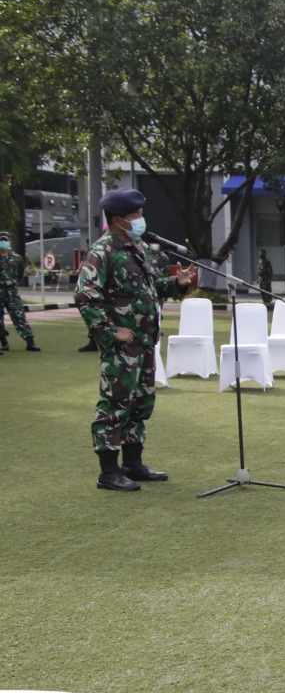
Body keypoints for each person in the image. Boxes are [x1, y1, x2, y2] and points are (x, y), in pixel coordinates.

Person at [73, 188, 195, 491]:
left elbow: (150, 290)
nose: (141, 219)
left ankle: (133, 464)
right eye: (135, 215)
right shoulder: (102, 252)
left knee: (140, 404)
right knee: (114, 404)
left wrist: (176, 284)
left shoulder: (137, 247)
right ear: (117, 220)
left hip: (145, 342)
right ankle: (108, 472)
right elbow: (85, 296)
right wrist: (111, 331)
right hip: (122, 346)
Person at [0, 231, 40, 352]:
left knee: (19, 316)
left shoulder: (17, 258)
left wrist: (12, 283)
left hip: (12, 291)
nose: (3, 242)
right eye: (1, 240)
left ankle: (30, 342)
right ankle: (4, 343)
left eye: (5, 240)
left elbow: (20, 274)